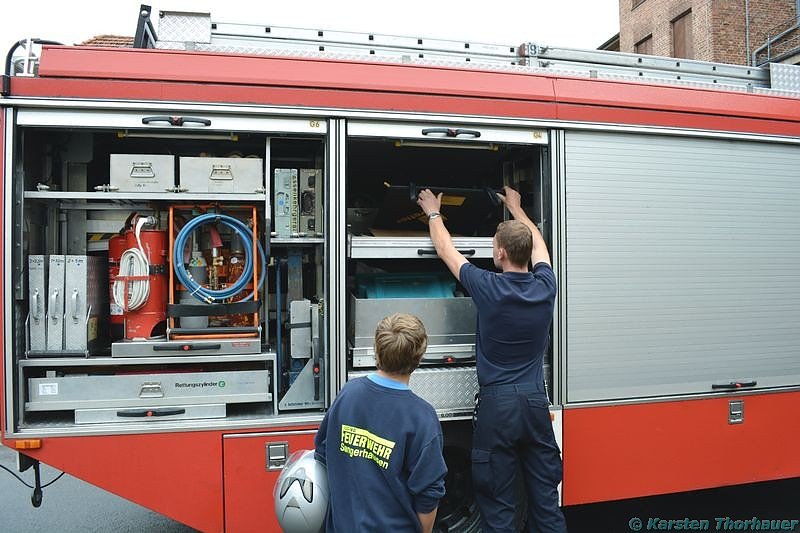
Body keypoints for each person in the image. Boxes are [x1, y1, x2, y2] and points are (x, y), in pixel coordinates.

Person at [417, 186, 566, 533]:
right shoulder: (546, 285)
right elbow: (540, 244)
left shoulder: (488, 286)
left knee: (498, 507)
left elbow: (445, 249)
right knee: (546, 501)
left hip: (497, 407)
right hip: (534, 403)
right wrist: (517, 208)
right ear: (526, 253)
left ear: (499, 253)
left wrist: (433, 212)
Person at [314, 313, 448, 533]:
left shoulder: (348, 394)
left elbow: (322, 453)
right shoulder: (421, 417)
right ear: (420, 356)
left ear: (376, 350)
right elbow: (428, 493)